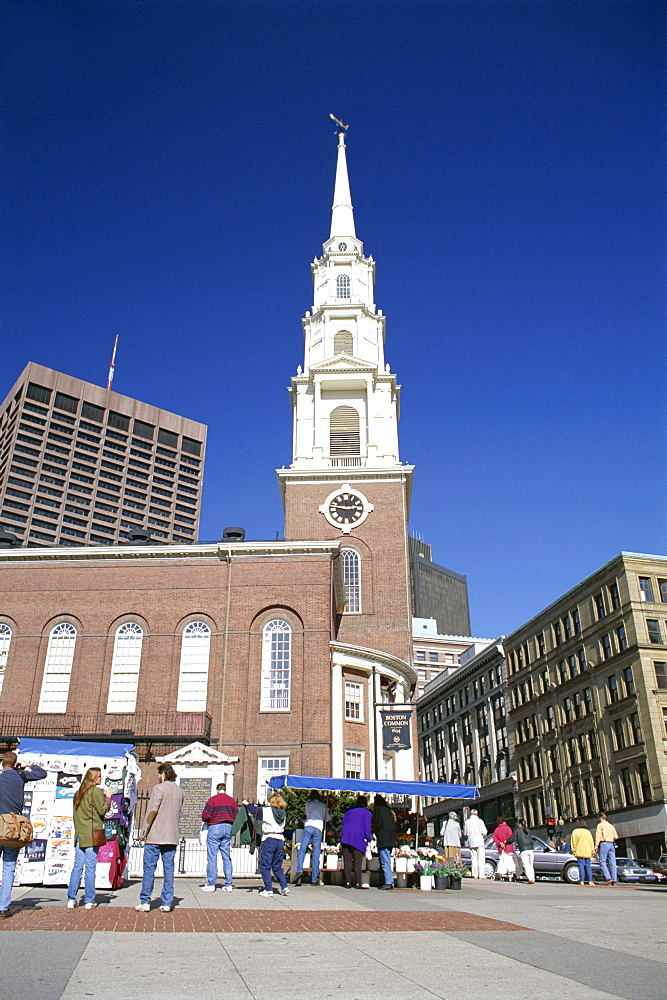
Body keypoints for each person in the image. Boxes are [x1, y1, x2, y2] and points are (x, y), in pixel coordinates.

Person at [0, 751, 47, 919]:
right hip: (13, 826)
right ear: (15, 763)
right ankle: (3, 907)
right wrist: (29, 765)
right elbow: (42, 773)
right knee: (8, 867)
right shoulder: (20, 776)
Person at [135, 763, 184, 913]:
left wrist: (144, 831)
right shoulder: (180, 791)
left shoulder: (159, 789)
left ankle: (145, 901)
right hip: (171, 835)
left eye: (158, 775)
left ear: (163, 775)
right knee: (168, 868)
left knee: (149, 868)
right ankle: (167, 901)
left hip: (155, 835)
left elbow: (152, 810)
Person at [67, 767, 110, 909]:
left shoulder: (78, 793)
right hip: (92, 833)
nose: (101, 779)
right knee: (90, 867)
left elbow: (75, 815)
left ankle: (71, 898)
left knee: (77, 866)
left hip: (81, 833)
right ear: (93, 778)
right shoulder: (96, 792)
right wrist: (108, 797)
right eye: (99, 777)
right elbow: (102, 809)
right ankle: (89, 900)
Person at [243, 794, 290, 897]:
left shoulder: (267, 811)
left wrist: (247, 804)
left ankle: (268, 889)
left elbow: (255, 811)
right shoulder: (283, 812)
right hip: (280, 840)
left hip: (269, 839)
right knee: (277, 866)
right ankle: (284, 886)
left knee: (265, 866)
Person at [200, 782, 238, 892]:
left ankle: (211, 883)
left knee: (212, 856)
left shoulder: (213, 800)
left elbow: (205, 815)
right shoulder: (232, 801)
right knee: (226, 856)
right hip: (228, 827)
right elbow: (236, 815)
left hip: (215, 826)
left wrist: (209, 819)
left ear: (217, 790)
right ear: (225, 789)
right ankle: (228, 884)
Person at [294, 791, 331, 886]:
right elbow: (327, 819)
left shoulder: (308, 804)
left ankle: (299, 870)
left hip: (309, 826)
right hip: (318, 828)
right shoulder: (323, 806)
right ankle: (314, 878)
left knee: (302, 849)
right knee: (316, 852)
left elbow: (307, 814)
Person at [340, 795, 372, 889]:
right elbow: (367, 827)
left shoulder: (349, 811)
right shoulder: (367, 813)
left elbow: (343, 823)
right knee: (358, 862)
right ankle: (358, 883)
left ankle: (348, 882)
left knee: (347, 861)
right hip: (358, 838)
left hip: (346, 837)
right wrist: (369, 839)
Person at [372, 794, 397, 890]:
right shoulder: (388, 810)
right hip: (391, 838)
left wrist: (372, 830)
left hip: (383, 838)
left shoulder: (378, 809)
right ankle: (388, 880)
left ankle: (388, 882)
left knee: (385, 861)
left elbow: (377, 823)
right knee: (388, 860)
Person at [508, 818, 535, 883]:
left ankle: (530, 878)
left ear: (520, 824)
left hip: (523, 849)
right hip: (531, 849)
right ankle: (533, 878)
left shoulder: (518, 831)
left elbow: (512, 838)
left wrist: (507, 842)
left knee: (526, 865)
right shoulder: (528, 830)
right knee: (531, 865)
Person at [570, 819, 596, 885]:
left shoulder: (575, 832)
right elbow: (591, 842)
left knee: (580, 865)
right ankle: (590, 881)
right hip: (587, 851)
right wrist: (592, 850)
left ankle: (581, 880)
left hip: (579, 851)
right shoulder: (587, 832)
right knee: (588, 866)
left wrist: (573, 850)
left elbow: (573, 842)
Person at [595, 811, 618, 886]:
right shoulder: (611, 826)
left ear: (600, 818)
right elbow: (616, 836)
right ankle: (614, 879)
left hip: (604, 843)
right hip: (611, 843)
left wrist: (596, 845)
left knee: (602, 861)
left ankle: (608, 877)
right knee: (613, 862)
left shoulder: (600, 825)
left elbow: (598, 836)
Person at [463, 809, 488, 879]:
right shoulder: (480, 821)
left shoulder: (467, 822)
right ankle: (481, 874)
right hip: (480, 841)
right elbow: (484, 831)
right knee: (481, 859)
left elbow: (465, 833)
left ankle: (475, 874)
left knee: (473, 858)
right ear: (477, 814)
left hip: (471, 841)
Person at [493, 816, 516, 881]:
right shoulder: (508, 828)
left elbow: (495, 838)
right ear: (504, 821)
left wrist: (500, 843)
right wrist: (506, 842)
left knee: (502, 861)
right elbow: (511, 837)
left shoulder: (496, 830)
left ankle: (502, 873)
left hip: (501, 848)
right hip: (508, 847)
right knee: (509, 860)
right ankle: (510, 873)